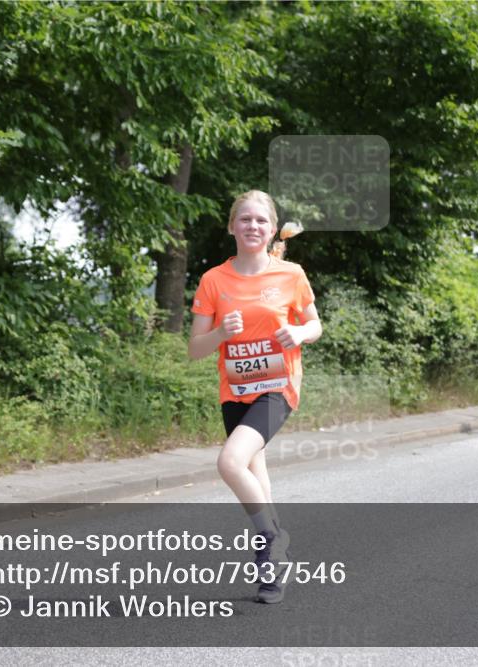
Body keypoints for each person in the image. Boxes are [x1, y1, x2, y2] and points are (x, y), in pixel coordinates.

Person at [188, 190, 321, 603]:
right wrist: (220, 334)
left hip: (278, 386)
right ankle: (273, 569)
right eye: (244, 219)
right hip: (235, 388)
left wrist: (299, 332)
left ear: (271, 229)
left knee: (230, 461)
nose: (252, 226)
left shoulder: (291, 275)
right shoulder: (213, 280)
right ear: (232, 226)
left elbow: (315, 324)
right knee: (255, 471)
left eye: (261, 221)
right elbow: (195, 348)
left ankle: (271, 537)